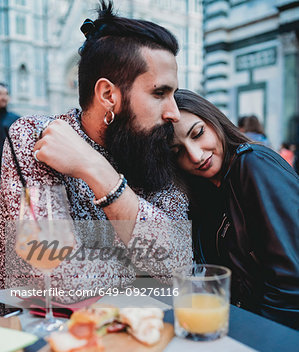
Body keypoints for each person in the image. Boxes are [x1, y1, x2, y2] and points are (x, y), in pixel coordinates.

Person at [0, 1, 191, 302]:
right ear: (108, 95)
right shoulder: (38, 137)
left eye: (174, 95)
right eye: (159, 93)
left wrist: (98, 170)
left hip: (139, 335)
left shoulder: (156, 145)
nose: (175, 113)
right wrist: (143, 260)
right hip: (44, 339)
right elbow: (49, 274)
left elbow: (179, 264)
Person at [171, 89, 299, 329]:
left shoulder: (253, 164)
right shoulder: (209, 190)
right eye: (177, 152)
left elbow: (292, 279)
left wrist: (253, 334)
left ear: (213, 119)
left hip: (274, 333)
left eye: (198, 133)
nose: (195, 155)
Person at [0, 83, 19, 171]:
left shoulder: (15, 119)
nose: (3, 97)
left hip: (9, 168)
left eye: (6, 94)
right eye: (0, 94)